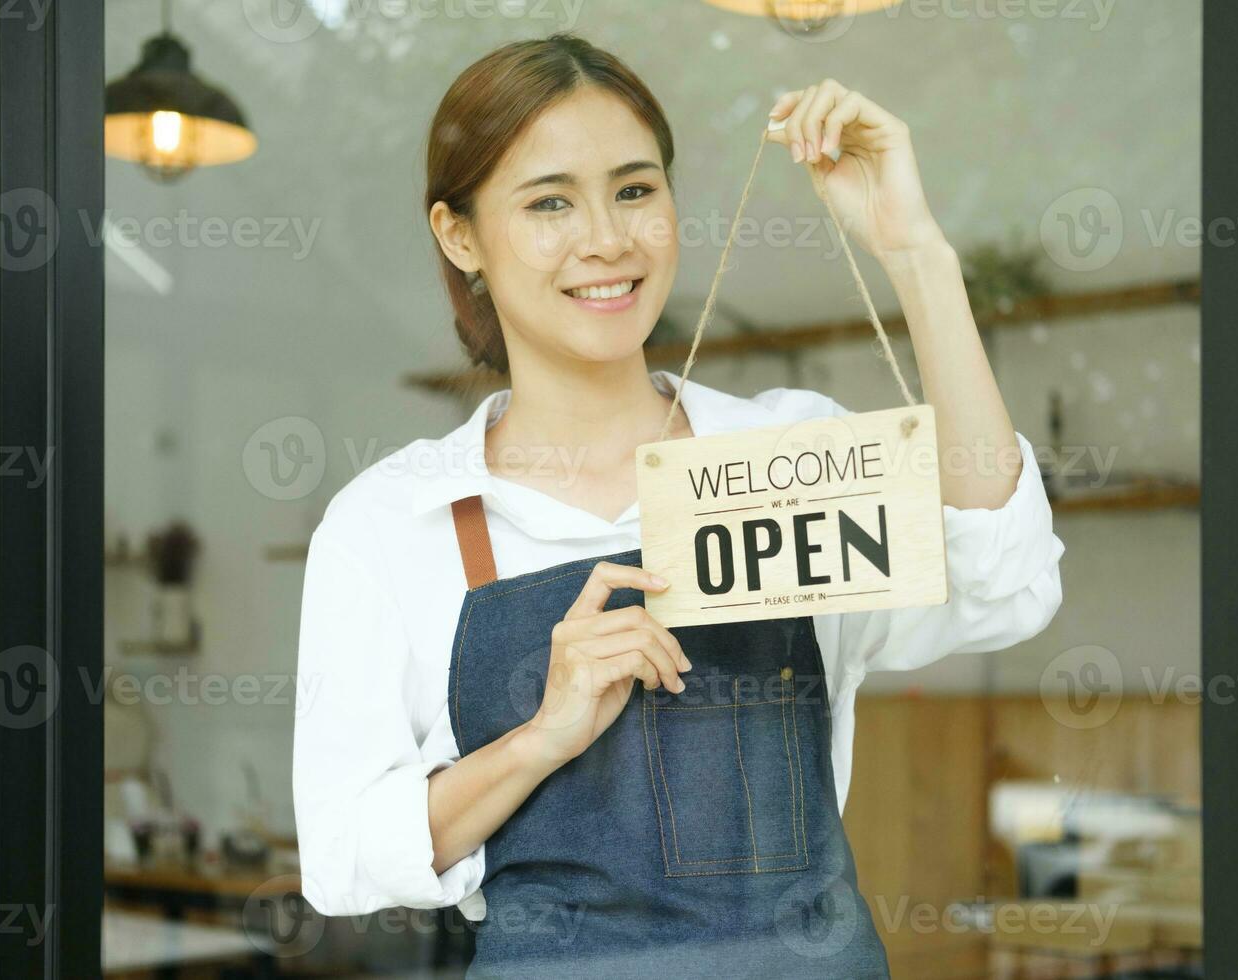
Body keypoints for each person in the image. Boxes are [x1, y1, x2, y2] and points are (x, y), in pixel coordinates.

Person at [292, 32, 1065, 979]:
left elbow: (1004, 578)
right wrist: (541, 737)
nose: (607, 240)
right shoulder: (391, 523)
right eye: (548, 203)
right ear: (460, 237)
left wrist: (917, 254)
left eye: (635, 189)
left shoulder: (788, 454)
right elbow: (341, 859)